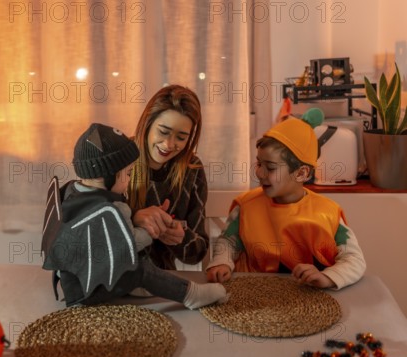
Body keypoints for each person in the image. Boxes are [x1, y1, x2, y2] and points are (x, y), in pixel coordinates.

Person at [41, 123, 227, 308]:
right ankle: (191, 295)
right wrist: (151, 231)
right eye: (128, 174)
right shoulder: (111, 209)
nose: (130, 181)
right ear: (103, 176)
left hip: (70, 283)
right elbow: (129, 244)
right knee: (140, 269)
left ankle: (136, 286)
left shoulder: (69, 193)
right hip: (89, 291)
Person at [204, 110, 366, 289]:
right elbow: (228, 241)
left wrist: (328, 277)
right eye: (259, 163)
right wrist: (222, 262)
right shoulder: (246, 207)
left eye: (270, 168)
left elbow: (354, 260)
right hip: (253, 295)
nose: (258, 172)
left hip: (306, 298)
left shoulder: (328, 214)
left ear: (301, 173)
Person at [128, 85, 209, 270]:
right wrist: (134, 218)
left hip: (164, 282)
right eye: (163, 132)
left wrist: (182, 238)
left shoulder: (192, 169)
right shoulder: (120, 157)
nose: (168, 144)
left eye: (181, 137)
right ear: (147, 124)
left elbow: (198, 252)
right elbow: (94, 228)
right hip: (118, 279)